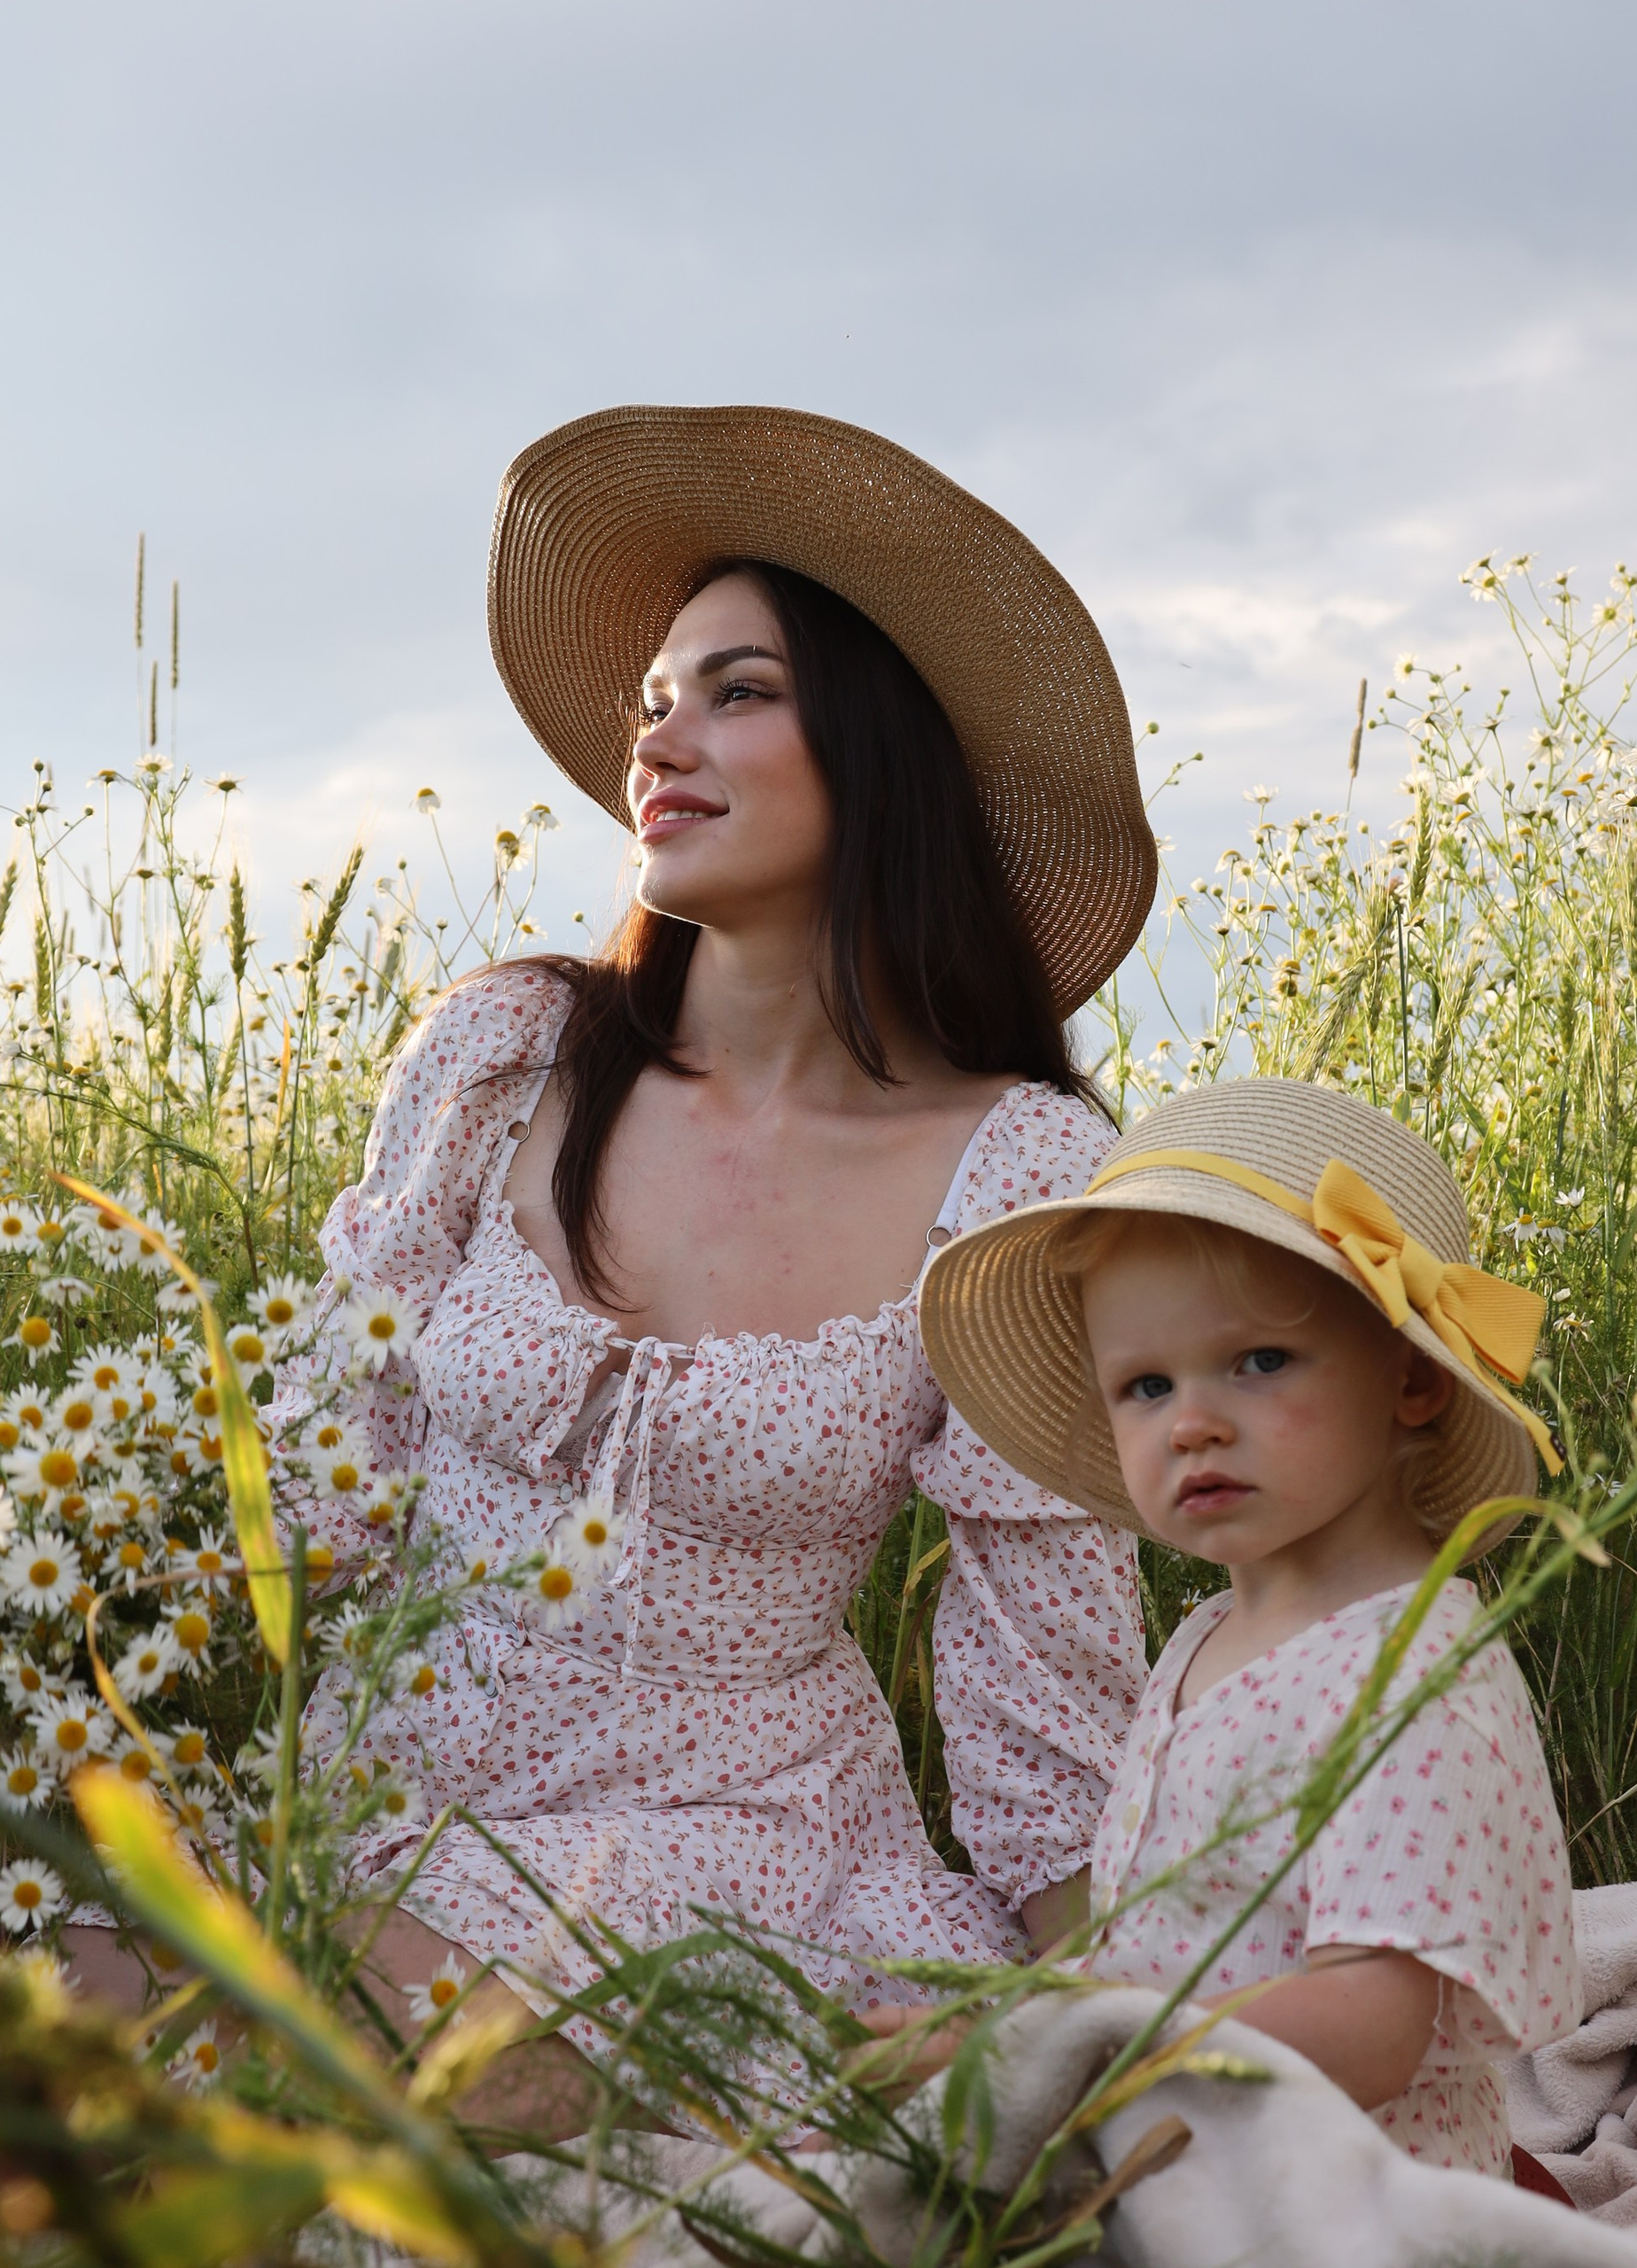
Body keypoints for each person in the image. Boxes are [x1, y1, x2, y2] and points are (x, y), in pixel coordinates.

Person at [67, 407, 1162, 2132]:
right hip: (379, 1773)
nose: (660, 737)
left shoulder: (1010, 1169)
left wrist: (1078, 2010)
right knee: (55, 2003)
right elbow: (323, 1465)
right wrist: (101, 1638)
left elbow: (1038, 1653)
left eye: (737, 689)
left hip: (718, 1847)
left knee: (324, 2055)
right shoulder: (510, 1053)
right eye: (653, 697)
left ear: (884, 752)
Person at [908, 1076, 1581, 2176]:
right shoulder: (1210, 1635)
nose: (1193, 1424)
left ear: (1412, 1380)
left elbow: (1370, 2028)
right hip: (1196, 2160)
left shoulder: (1411, 1677)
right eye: (1144, 1385)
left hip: (1347, 2208)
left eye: (1258, 1361)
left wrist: (1070, 2049)